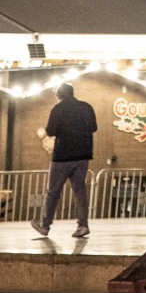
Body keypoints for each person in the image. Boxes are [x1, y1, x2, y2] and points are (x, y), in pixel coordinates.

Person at [30, 82, 97, 239]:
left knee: (53, 191)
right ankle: (82, 225)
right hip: (83, 155)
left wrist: (48, 130)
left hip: (62, 156)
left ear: (59, 95)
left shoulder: (58, 109)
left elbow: (51, 131)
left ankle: (45, 225)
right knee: (80, 191)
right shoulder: (86, 107)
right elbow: (94, 128)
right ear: (72, 93)